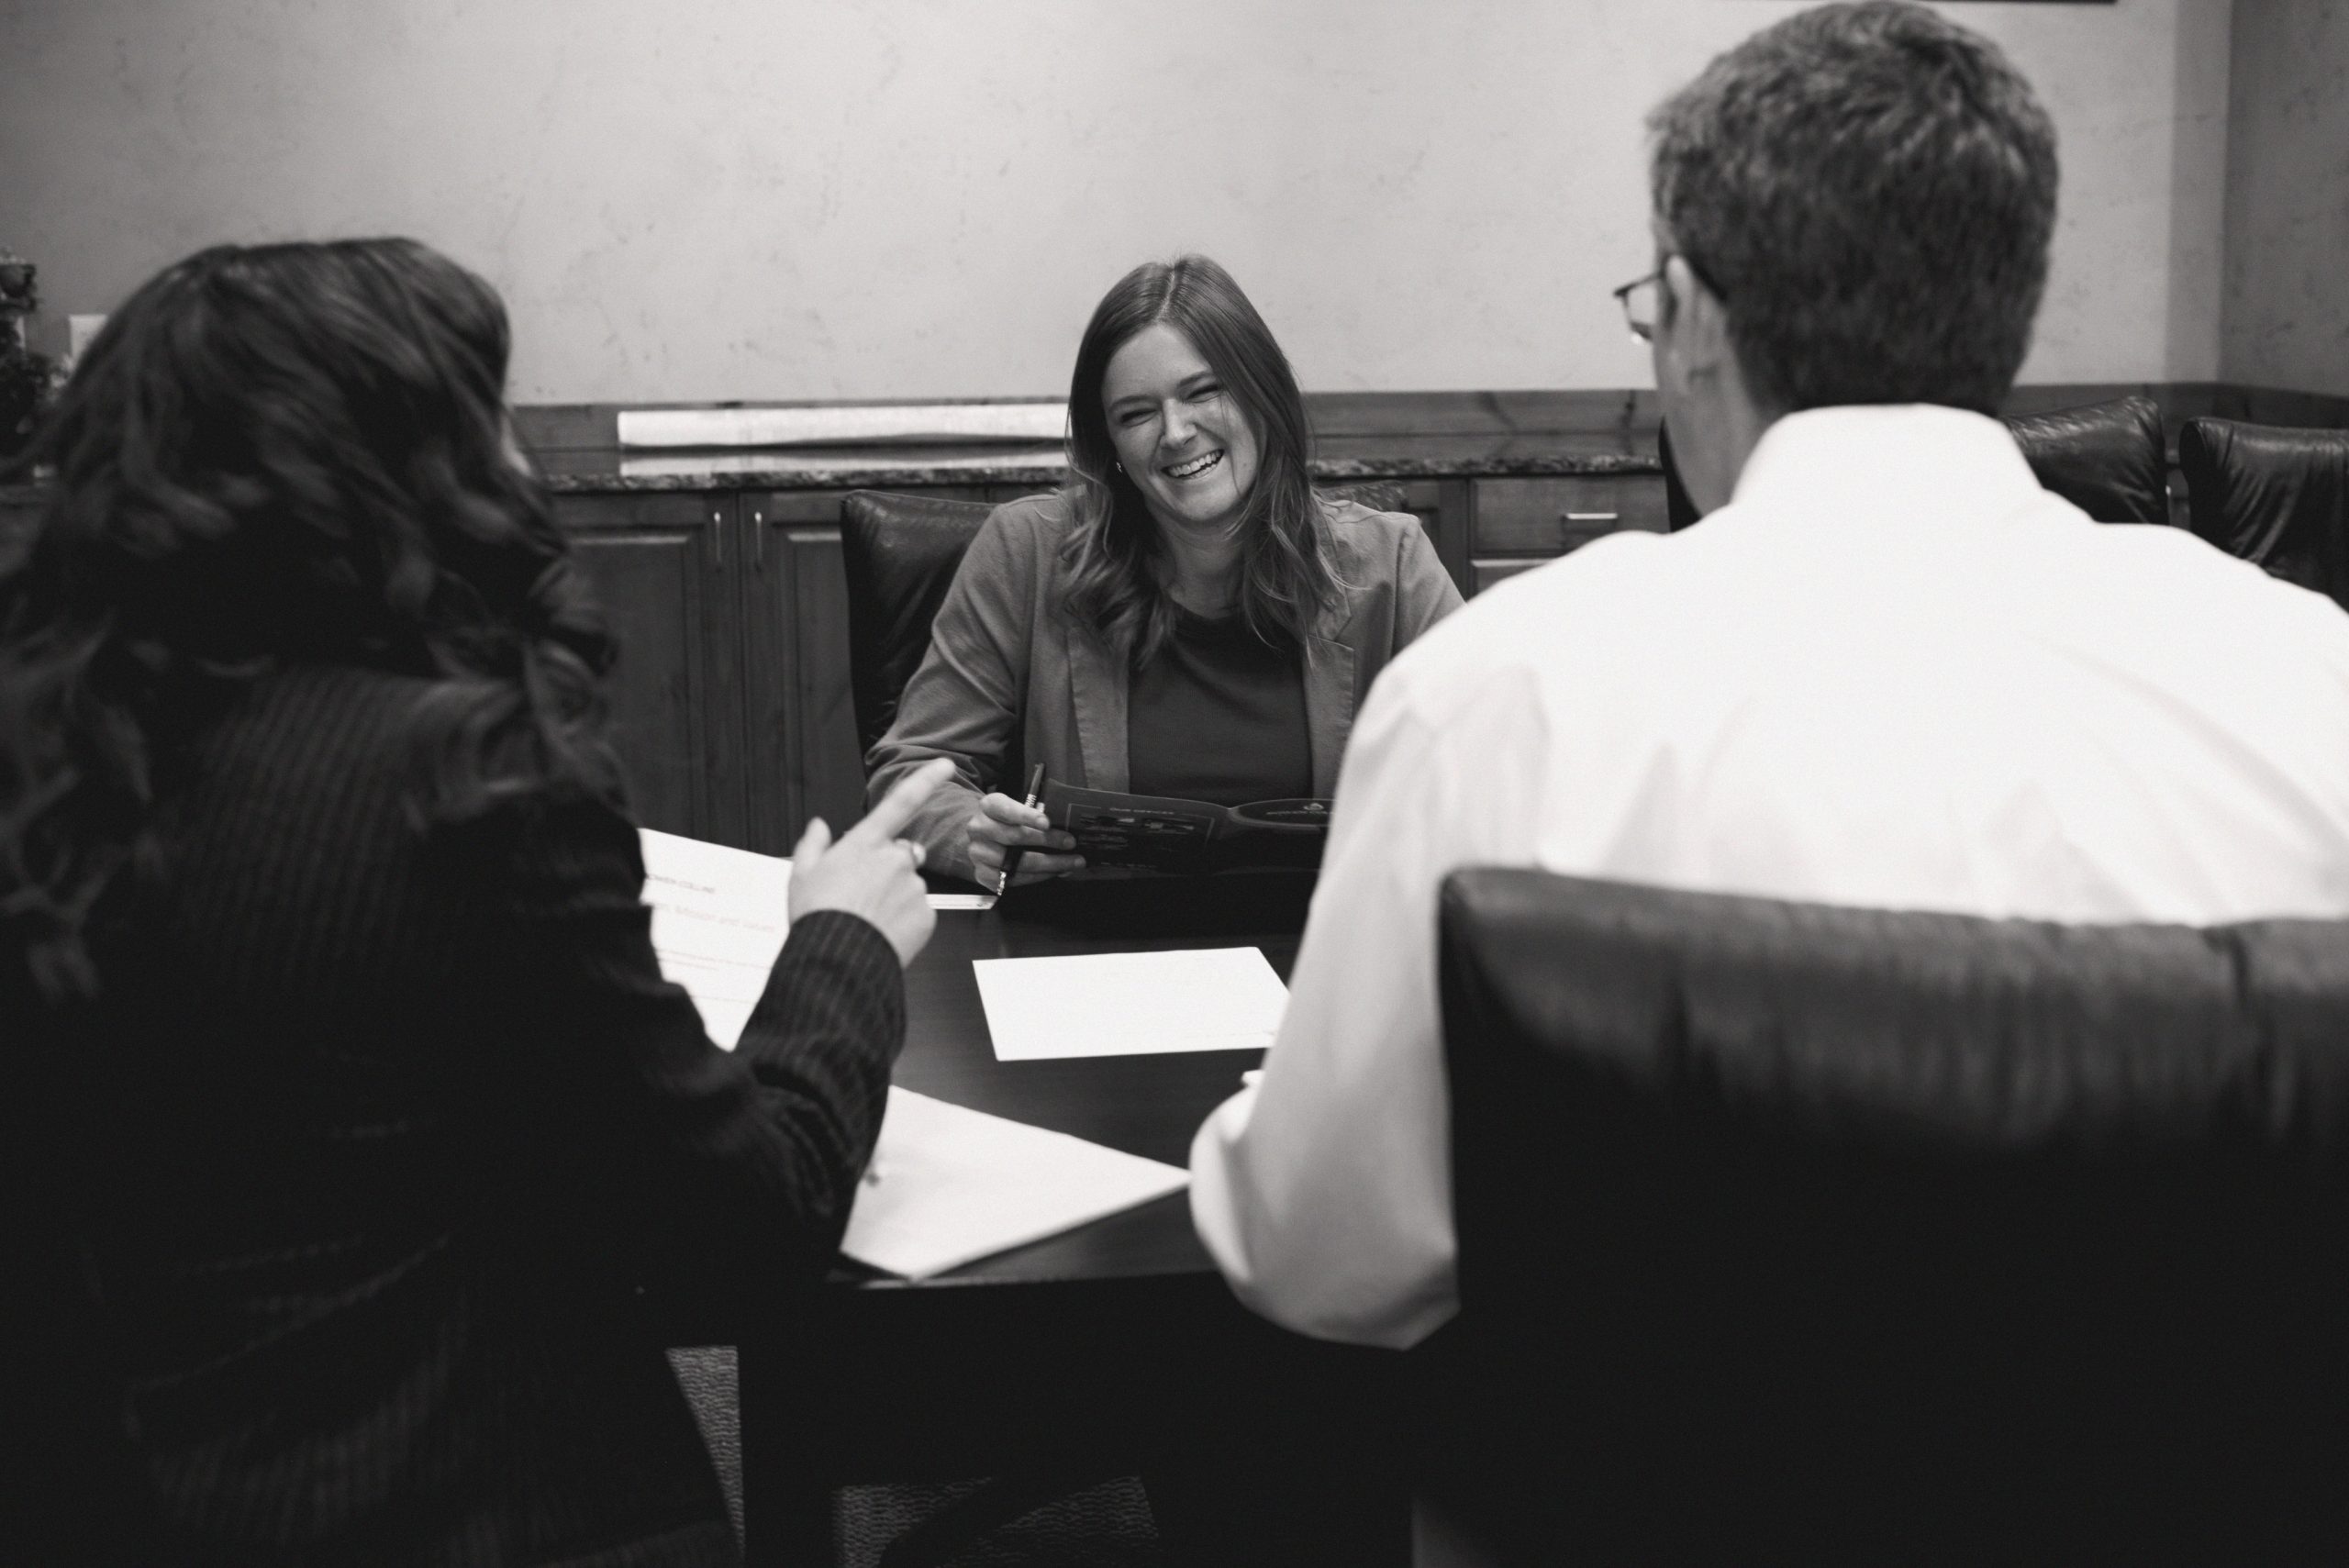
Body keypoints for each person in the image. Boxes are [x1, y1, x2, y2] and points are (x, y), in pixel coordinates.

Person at [1190, 0, 2349, 1351]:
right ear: (2007, 311)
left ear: (1684, 315)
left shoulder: (1503, 700)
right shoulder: (2311, 679)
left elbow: (1323, 1258)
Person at [0, 238, 952, 1565]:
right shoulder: (457, 781)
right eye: (489, 415)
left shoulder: (50, 760)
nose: (518, 460)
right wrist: (841, 943)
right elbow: (743, 1231)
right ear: (403, 466)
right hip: (470, 1502)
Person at [864, 254, 1460, 890]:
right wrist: (975, 836)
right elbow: (914, 775)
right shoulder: (1027, 552)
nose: (1176, 432)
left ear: (1264, 396)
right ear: (1112, 446)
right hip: (1096, 955)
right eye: (1137, 414)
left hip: (1315, 959)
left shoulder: (1391, 563)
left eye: (1203, 391)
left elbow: (1496, 761)